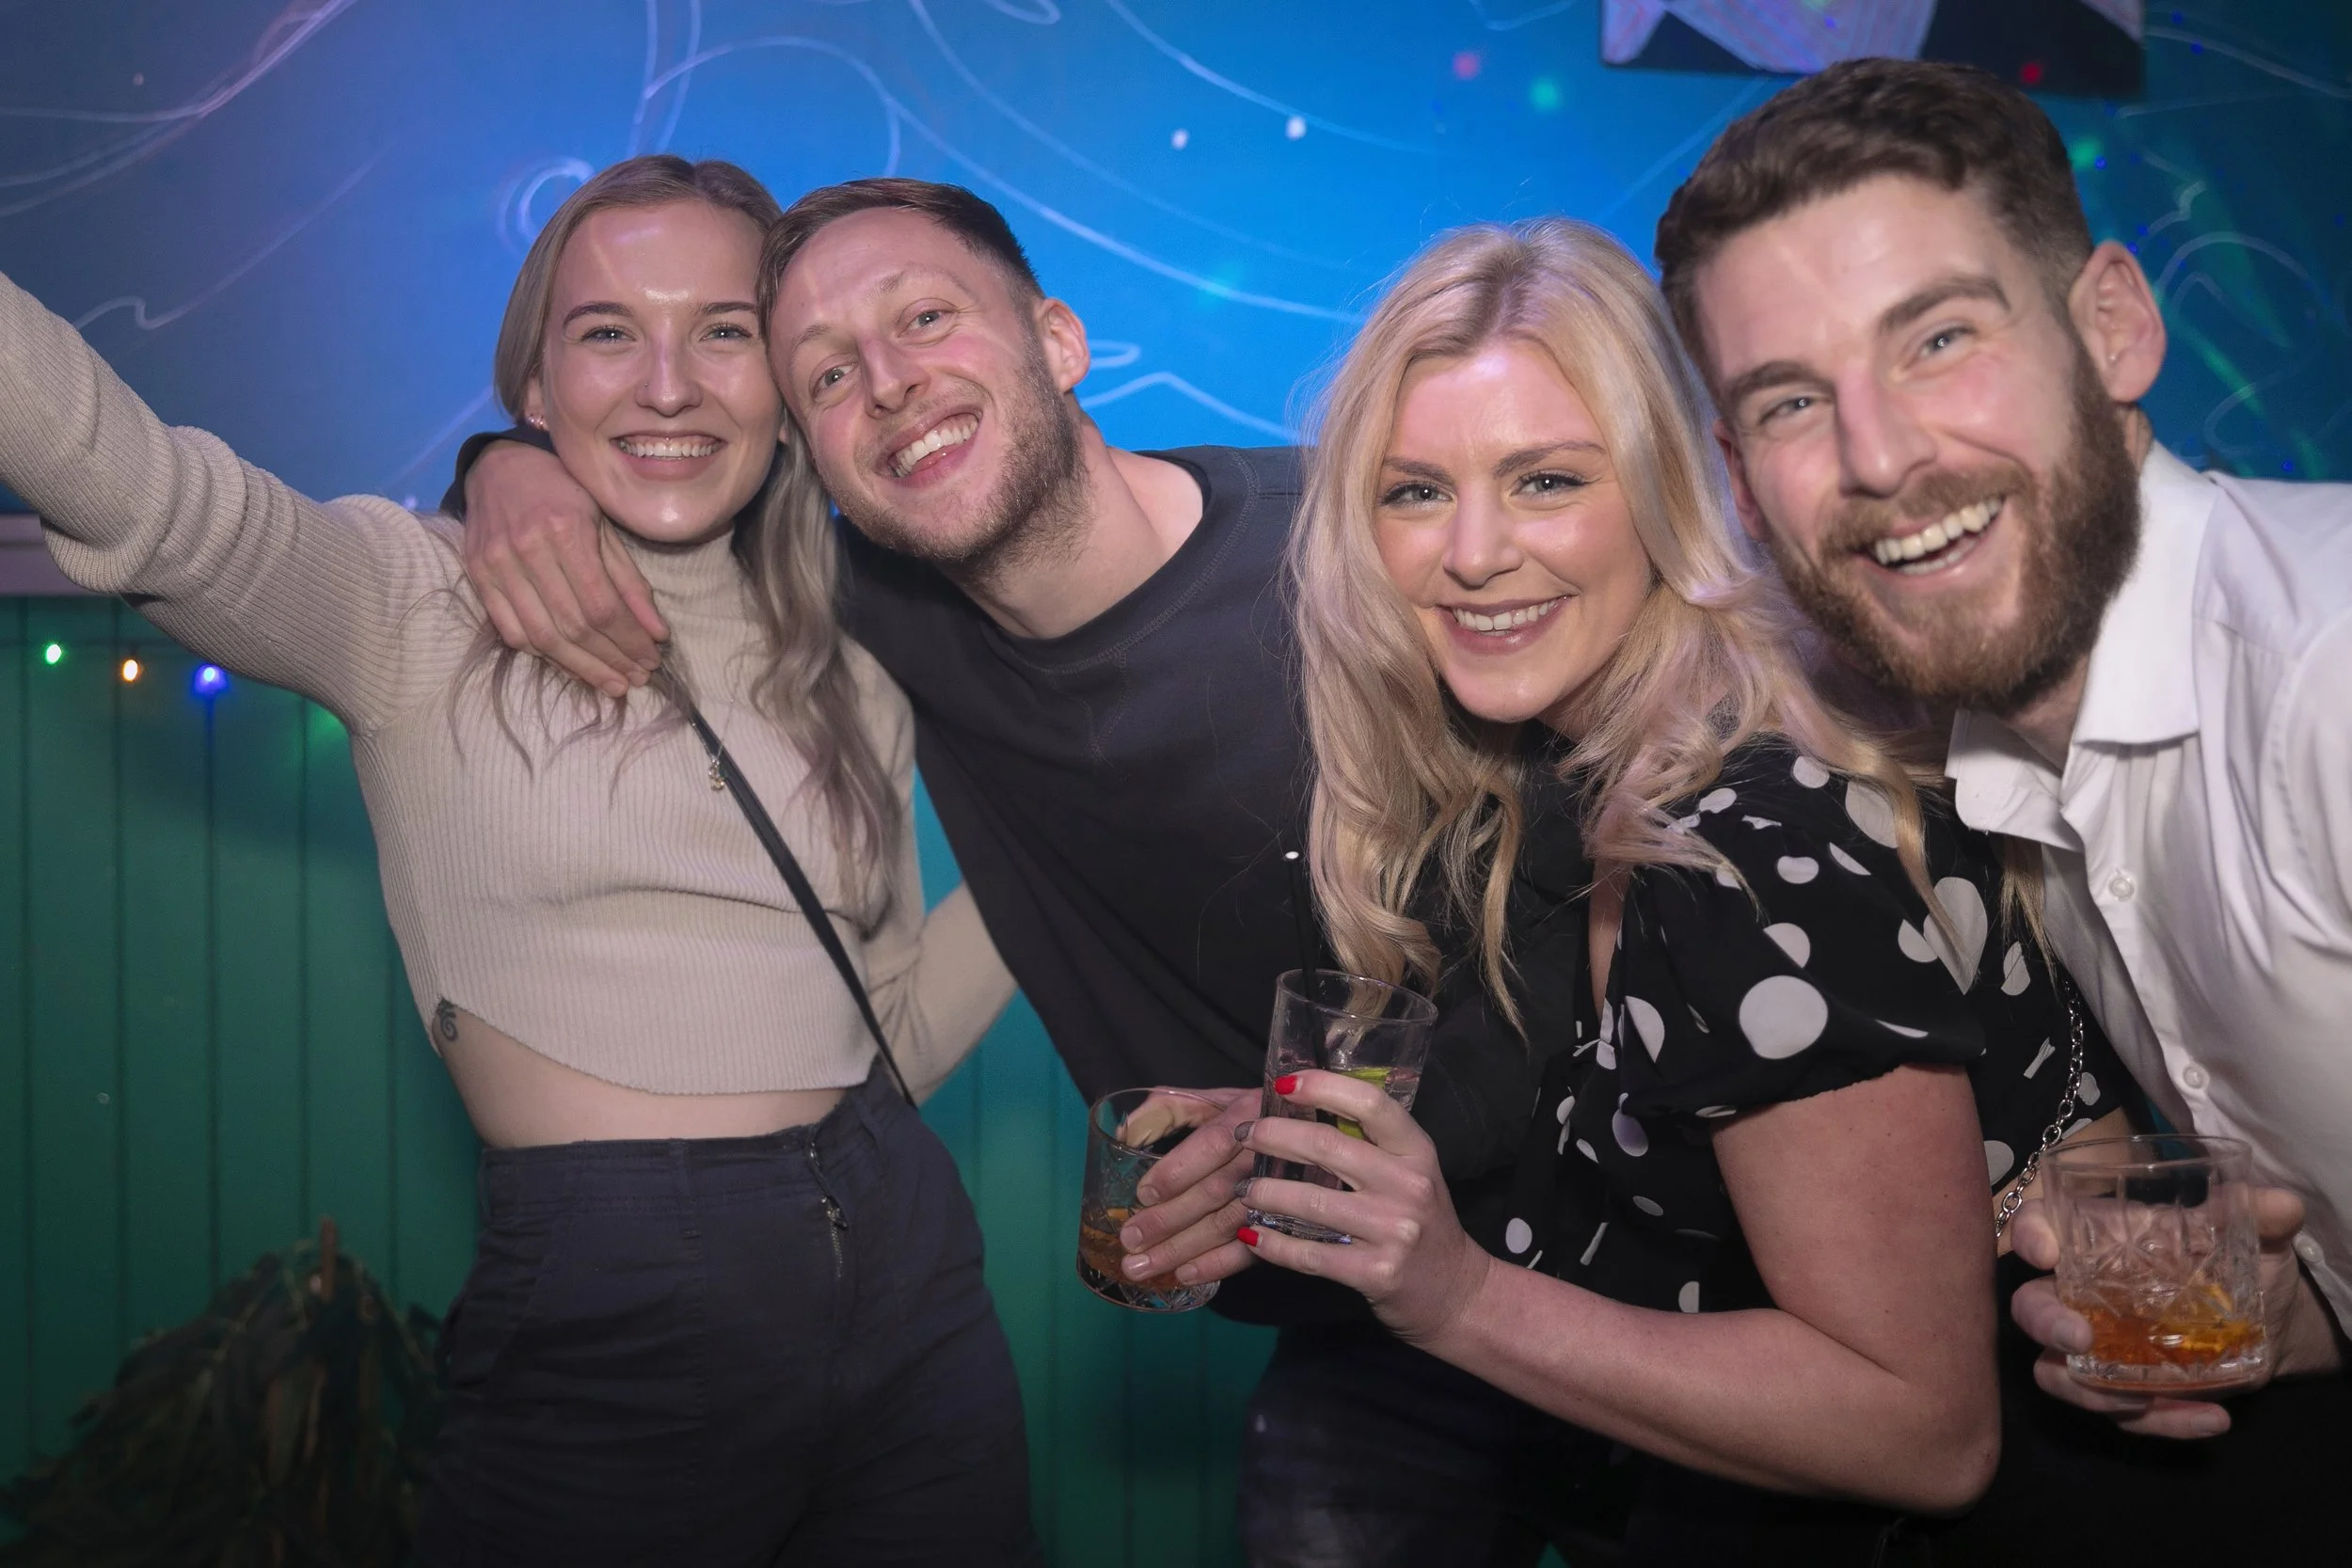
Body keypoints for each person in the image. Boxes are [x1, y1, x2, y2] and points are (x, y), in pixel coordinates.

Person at [450, 179, 1595, 1561]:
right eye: (825, 373)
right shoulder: (881, 610)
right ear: (810, 449)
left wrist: (1305, 1142)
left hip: (1653, 1250)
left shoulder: (1357, 555)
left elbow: (1604, 912)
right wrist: (498, 470)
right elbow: (650, 492)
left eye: (927, 317)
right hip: (1372, 1333)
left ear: (1058, 339)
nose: (889, 384)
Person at [0, 156, 1034, 1567]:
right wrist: (495, 477)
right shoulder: (411, 602)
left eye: (723, 331)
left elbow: (891, 1033)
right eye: (608, 331)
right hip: (626, 1290)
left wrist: (1065, 876)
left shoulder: (857, 655)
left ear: (789, 388)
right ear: (535, 387)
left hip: (915, 1271)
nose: (667, 383)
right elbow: (157, 503)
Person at [1233, 214, 2134, 1565]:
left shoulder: (1742, 844)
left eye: (1545, 481)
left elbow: (1926, 1430)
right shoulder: (1625, 759)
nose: (1470, 552)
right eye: (1414, 490)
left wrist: (1455, 1296)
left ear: (1667, 487)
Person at [1651, 56, 2351, 1558]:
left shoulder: (2327, 679)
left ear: (2112, 327)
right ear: (1739, 477)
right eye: (1789, 401)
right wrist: (2296, 1317)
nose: (1883, 457)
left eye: (1941, 337)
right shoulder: (2000, 750)